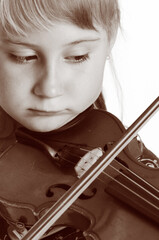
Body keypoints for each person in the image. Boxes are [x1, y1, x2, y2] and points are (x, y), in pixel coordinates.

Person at [0, 0, 158, 239]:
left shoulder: (113, 139)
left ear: (110, 39)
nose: (50, 88)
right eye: (24, 56)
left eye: (77, 56)